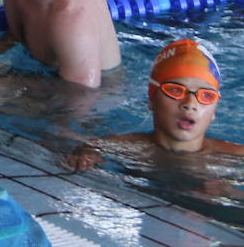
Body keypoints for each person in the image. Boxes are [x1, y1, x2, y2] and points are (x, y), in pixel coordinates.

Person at [67, 39, 243, 170]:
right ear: (152, 99)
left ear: (214, 111)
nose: (190, 104)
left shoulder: (234, 157)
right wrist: (86, 154)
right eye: (175, 90)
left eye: (206, 95)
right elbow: (89, 147)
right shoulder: (121, 148)